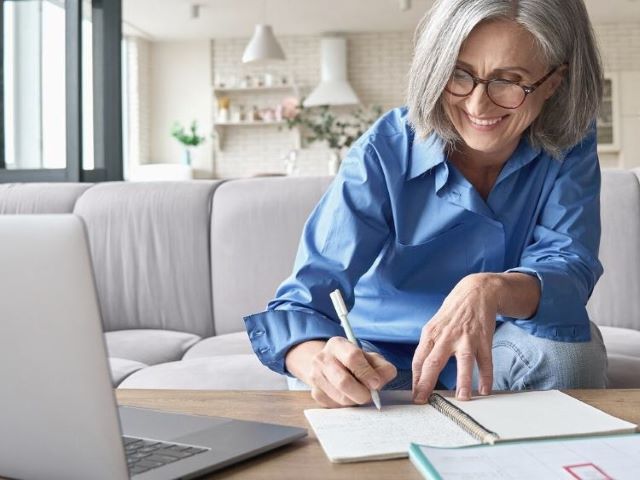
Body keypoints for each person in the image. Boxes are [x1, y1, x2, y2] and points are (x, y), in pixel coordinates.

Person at [244, 0, 608, 408]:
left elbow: (567, 266)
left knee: (571, 356)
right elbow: (303, 298)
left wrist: (490, 288)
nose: (477, 105)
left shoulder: (570, 140)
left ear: (553, 83)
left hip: (498, 348)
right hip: (381, 358)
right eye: (459, 75)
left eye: (509, 81)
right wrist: (317, 361)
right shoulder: (385, 149)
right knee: (324, 383)